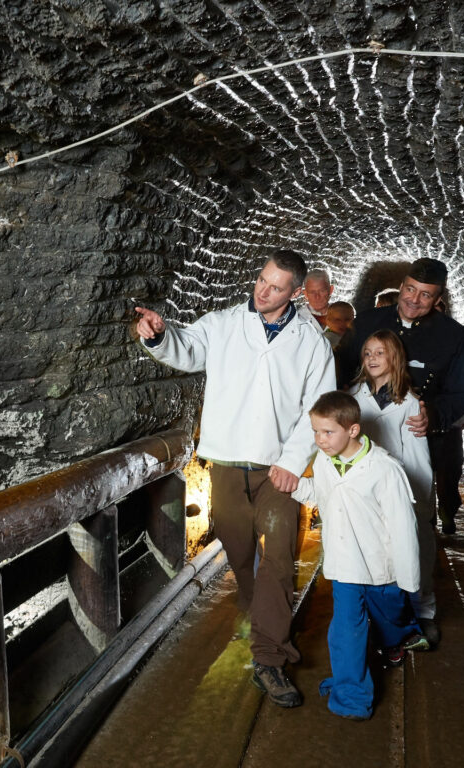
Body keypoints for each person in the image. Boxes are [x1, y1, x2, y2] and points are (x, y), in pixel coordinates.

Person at [135, 249, 336, 708]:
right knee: (239, 550)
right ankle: (257, 601)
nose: (263, 291)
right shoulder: (224, 323)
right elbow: (186, 350)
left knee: (281, 550)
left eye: (276, 287)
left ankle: (270, 657)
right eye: (261, 280)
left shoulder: (311, 341)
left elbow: (319, 408)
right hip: (226, 465)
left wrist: (291, 460)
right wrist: (159, 335)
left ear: (296, 294)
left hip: (276, 471)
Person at [291, 391, 424, 721]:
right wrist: (293, 485)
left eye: (327, 432)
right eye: (316, 432)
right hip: (346, 565)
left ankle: (402, 635)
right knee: (345, 631)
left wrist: (409, 581)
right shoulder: (324, 462)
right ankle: (351, 698)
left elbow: (404, 528)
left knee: (389, 617)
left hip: (382, 568)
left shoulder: (384, 470)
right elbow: (321, 495)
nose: (319, 440)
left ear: (352, 430)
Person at [336, 258, 464, 538]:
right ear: (401, 287)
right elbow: (339, 369)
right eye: (410, 289)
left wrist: (433, 416)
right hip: (368, 433)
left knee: (415, 516)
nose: (414, 299)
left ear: (437, 298)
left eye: (425, 294)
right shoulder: (366, 323)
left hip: (420, 437)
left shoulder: (453, 336)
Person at [349, 330, 438, 642]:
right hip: (365, 489)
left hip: (399, 486)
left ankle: (424, 611)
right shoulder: (354, 397)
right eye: (368, 353)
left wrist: (423, 497)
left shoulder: (409, 402)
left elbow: (416, 453)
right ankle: (383, 616)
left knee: (415, 549)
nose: (372, 359)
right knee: (376, 552)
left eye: (380, 353)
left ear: (394, 358)